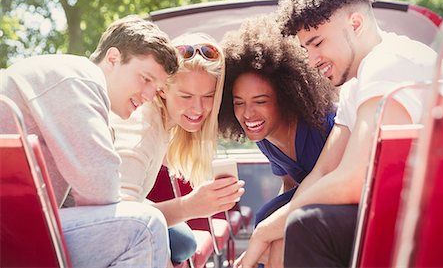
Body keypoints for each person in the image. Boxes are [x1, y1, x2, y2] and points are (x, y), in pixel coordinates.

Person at [233, 0, 443, 268]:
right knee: (288, 221)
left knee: (306, 226)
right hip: (407, 210)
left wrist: (268, 228)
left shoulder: (388, 61)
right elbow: (322, 173)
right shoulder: (356, 87)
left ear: (355, 24)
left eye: (318, 43)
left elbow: (353, 180)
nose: (311, 59)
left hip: (433, 218)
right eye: (305, 48)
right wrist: (270, 228)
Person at [0, 15, 179, 267]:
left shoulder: (66, 79)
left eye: (157, 88)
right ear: (113, 59)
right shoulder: (79, 79)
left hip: (16, 225)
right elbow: (101, 190)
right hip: (13, 231)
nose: (149, 95)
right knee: (144, 227)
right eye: (146, 79)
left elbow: (84, 197)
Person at [111, 33, 245, 264]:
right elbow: (124, 223)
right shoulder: (142, 128)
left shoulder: (166, 126)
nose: (198, 108)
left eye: (208, 96)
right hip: (103, 224)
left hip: (131, 212)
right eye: (186, 96)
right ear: (162, 89)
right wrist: (190, 206)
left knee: (184, 241)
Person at [217, 14, 336, 267]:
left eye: (260, 101)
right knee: (266, 215)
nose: (248, 114)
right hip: (308, 204)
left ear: (286, 97)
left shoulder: (322, 125)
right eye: (239, 103)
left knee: (279, 230)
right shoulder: (264, 137)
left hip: (338, 202)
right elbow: (289, 183)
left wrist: (270, 230)